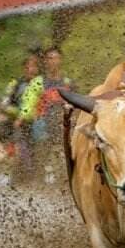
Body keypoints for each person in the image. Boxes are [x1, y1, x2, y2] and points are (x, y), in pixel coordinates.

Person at [16, 46, 74, 184]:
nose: (53, 61)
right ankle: (39, 192)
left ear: (61, 60)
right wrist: (21, 117)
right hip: (42, 128)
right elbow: (28, 102)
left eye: (55, 58)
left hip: (62, 128)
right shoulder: (38, 82)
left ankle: (62, 190)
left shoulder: (67, 83)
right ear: (45, 62)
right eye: (49, 58)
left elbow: (75, 104)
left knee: (63, 163)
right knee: (40, 164)